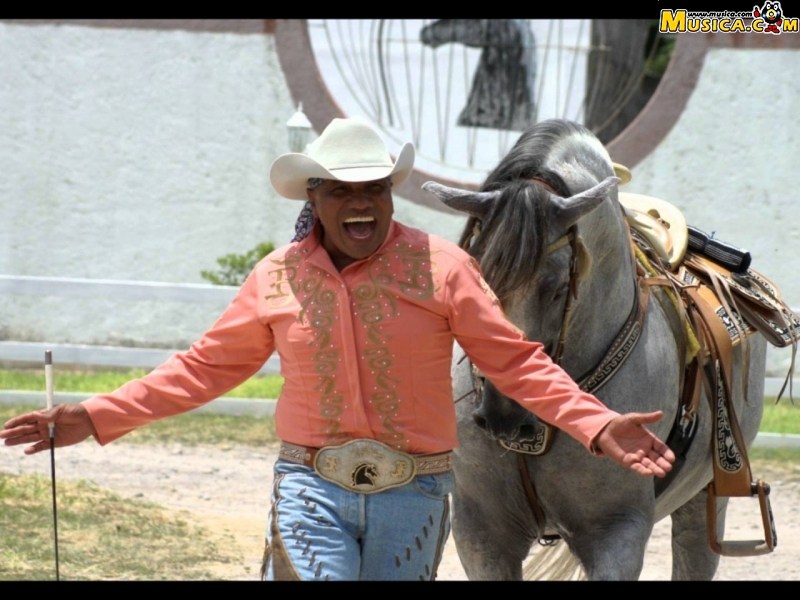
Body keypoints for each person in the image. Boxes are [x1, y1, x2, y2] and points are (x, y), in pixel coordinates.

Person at [1, 116, 675, 581]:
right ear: (315, 198)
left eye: (374, 189)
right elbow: (203, 368)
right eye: (343, 190)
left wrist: (597, 422)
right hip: (309, 490)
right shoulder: (276, 277)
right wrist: (97, 416)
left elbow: (514, 360)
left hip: (414, 496)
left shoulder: (443, 268)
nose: (362, 204)